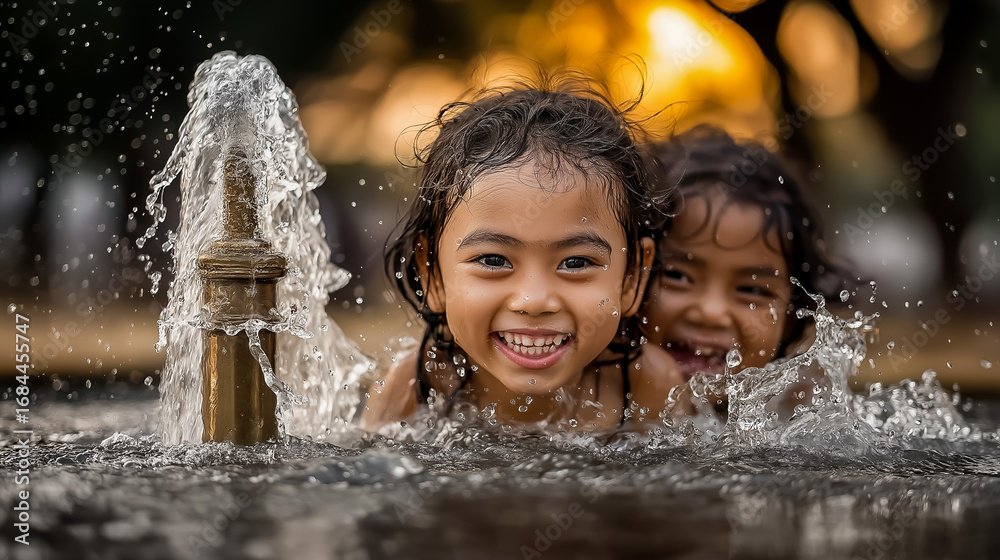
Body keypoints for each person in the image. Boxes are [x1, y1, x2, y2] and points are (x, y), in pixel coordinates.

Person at [361, 80, 686, 435]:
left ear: (631, 278)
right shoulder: (418, 386)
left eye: (576, 262)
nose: (534, 301)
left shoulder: (646, 387)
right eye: (494, 260)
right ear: (433, 275)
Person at [640, 125, 852, 413]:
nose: (710, 312)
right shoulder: (579, 408)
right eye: (678, 275)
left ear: (791, 318)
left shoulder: (802, 415)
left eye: (752, 290)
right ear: (629, 279)